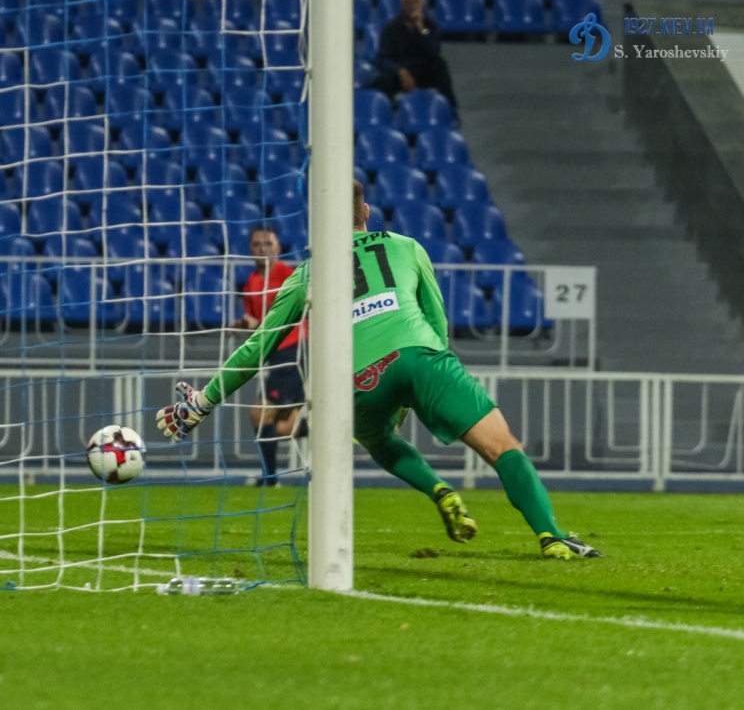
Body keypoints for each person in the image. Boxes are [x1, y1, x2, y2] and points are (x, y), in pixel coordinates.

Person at [157, 180, 602, 560]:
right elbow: (438, 323)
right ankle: (552, 537)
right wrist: (422, 382)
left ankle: (437, 489)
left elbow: (258, 346)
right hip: (421, 356)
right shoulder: (407, 246)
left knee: (377, 439)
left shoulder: (307, 273)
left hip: (361, 378)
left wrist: (203, 401)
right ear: (365, 212)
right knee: (503, 448)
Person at [230, 227, 308, 487]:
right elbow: (258, 323)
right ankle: (344, 426)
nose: (262, 248)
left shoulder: (289, 275)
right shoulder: (251, 283)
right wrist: (245, 324)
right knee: (284, 427)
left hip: (295, 349)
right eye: (256, 244)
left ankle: (270, 479)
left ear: (278, 248)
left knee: (259, 414)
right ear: (250, 249)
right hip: (276, 354)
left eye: (268, 243)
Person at [373, 0, 459, 115]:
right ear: (402, 5)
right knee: (384, 81)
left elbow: (434, 51)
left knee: (440, 66)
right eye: (408, 3)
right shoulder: (391, 27)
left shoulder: (430, 26)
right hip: (401, 73)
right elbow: (383, 58)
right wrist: (400, 71)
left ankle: (451, 109)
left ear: (422, 4)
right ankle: (382, 112)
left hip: (424, 73)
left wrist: (421, 29)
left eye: (415, 2)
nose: (412, 6)